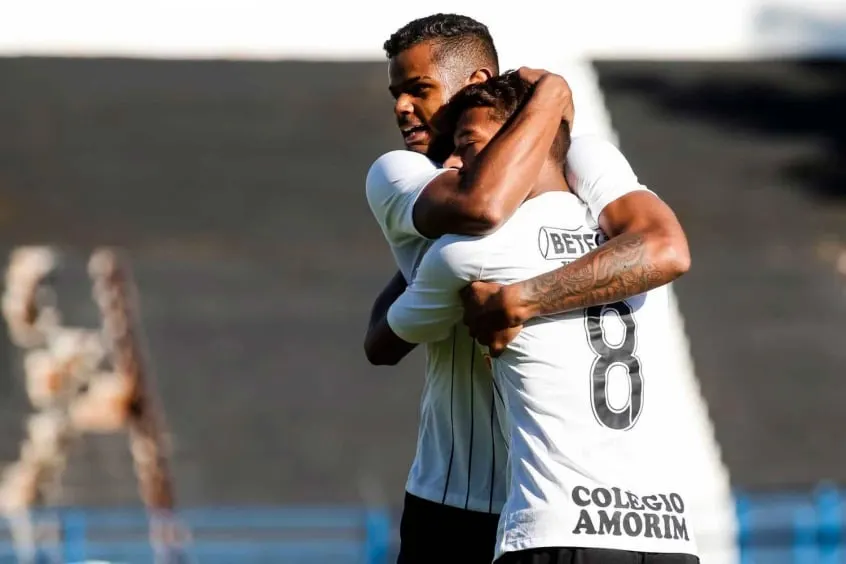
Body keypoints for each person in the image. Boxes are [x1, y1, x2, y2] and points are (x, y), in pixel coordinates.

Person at [364, 14, 689, 564]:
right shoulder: (400, 172)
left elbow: (665, 248)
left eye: (418, 90)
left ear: (474, 82)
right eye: (396, 93)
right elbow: (481, 206)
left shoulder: (579, 154)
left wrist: (522, 298)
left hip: (561, 503)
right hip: (459, 495)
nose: (400, 107)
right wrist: (553, 94)